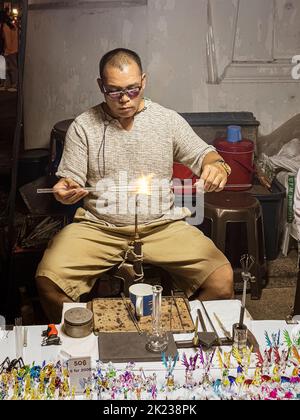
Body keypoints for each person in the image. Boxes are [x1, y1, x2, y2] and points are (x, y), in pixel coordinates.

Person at [36, 48, 234, 322]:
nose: (125, 99)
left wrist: (217, 166)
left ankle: (175, 327)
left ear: (144, 81)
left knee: (222, 280)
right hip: (100, 227)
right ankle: (91, 338)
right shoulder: (84, 126)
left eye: (133, 89)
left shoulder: (166, 120)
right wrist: (66, 191)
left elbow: (205, 155)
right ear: (100, 86)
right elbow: (70, 181)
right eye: (114, 91)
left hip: (161, 225)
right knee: (49, 281)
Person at [1, 9, 18, 92]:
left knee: (9, 68)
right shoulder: (12, 25)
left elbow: (7, 40)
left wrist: (7, 51)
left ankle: (13, 85)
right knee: (10, 68)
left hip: (10, 50)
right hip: (14, 49)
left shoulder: (5, 26)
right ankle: (10, 85)